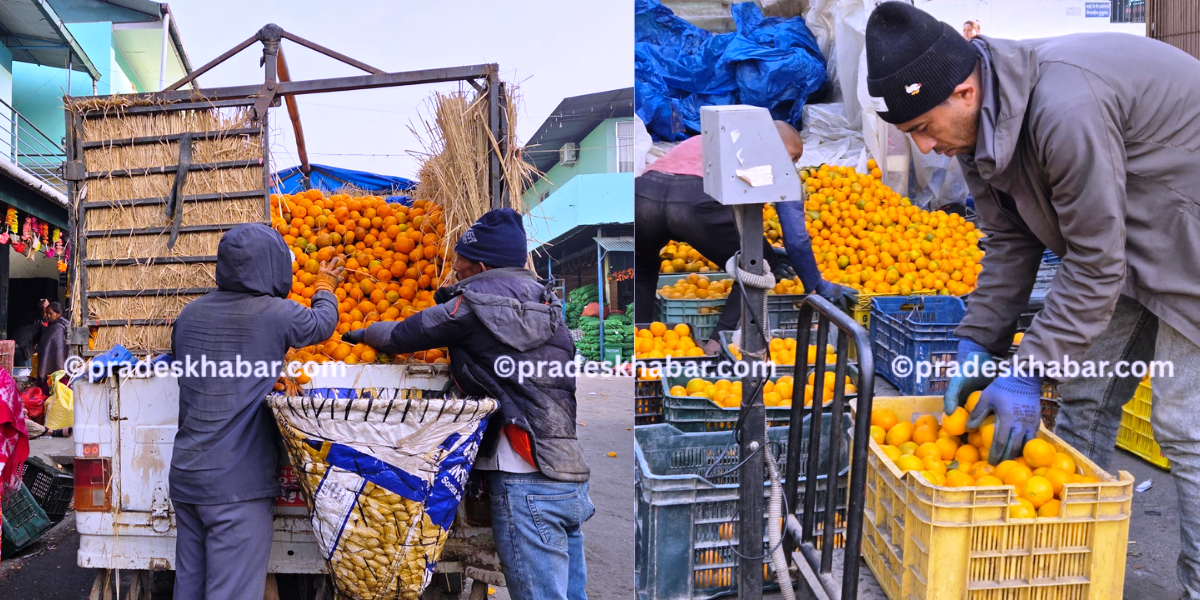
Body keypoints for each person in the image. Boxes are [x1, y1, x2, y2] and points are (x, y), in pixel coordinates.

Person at [864, 3, 1200, 595]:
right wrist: (978, 340)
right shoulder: (977, 131)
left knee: (1183, 422)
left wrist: (1025, 370)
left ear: (964, 92)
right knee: (1085, 394)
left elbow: (1095, 262)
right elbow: (1010, 238)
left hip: (1186, 228)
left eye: (922, 127)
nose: (924, 146)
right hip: (1127, 230)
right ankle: (1067, 560)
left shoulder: (1064, 108)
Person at [341, 208, 593, 600]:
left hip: (523, 475)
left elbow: (403, 334)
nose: (455, 273)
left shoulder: (474, 308)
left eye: (460, 265)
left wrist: (359, 333)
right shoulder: (550, 308)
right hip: (569, 474)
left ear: (480, 266)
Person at [169, 224, 343, 600]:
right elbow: (323, 325)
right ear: (273, 266)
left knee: (190, 587)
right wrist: (325, 287)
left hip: (186, 478)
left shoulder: (189, 314)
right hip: (236, 485)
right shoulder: (276, 313)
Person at [634, 121, 856, 353]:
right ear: (783, 148)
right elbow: (796, 240)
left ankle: (640, 345)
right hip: (694, 201)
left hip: (642, 194)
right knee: (756, 265)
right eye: (795, 157)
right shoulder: (775, 157)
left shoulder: (710, 138)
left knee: (642, 269)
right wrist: (817, 284)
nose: (794, 164)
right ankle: (716, 345)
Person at [36, 303, 68, 393]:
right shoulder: (59, 326)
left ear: (59, 314)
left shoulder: (57, 328)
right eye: (47, 313)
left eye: (51, 313)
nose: (48, 316)